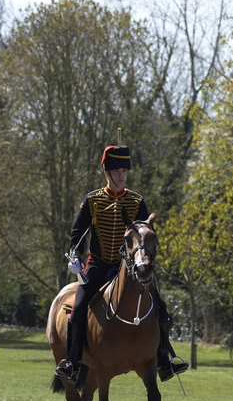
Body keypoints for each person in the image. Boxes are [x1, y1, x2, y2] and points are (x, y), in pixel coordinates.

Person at [57, 144, 188, 382]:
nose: (121, 175)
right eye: (116, 170)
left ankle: (164, 361)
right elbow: (77, 234)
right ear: (107, 172)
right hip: (97, 265)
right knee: (77, 310)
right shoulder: (93, 200)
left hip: (128, 268)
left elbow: (146, 231)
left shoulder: (137, 201)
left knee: (159, 306)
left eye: (124, 171)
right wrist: (74, 258)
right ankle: (72, 362)